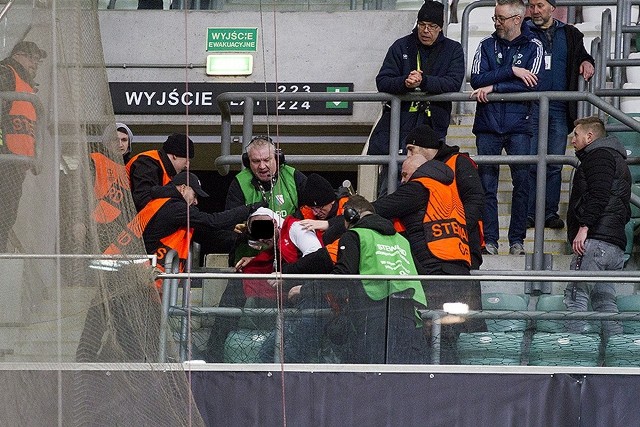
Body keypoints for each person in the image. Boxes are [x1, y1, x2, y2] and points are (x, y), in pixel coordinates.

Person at [373, 155, 485, 363]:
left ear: (418, 170)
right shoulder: (450, 192)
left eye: (405, 174)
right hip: (460, 277)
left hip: (436, 278)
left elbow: (377, 210)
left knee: (430, 339)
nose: (403, 180)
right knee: (449, 340)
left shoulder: (418, 188)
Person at [469, 0, 544, 255]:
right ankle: (490, 240)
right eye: (495, 18)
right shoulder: (485, 45)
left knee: (522, 184)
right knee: (486, 186)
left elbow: (532, 84)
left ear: (517, 19)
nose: (496, 23)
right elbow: (476, 79)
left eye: (501, 18)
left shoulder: (534, 46)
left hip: (519, 126)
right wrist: (511, 70)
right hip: (487, 126)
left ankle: (517, 241)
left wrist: (495, 88)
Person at [316, 195, 428, 364]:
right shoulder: (401, 241)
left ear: (350, 214)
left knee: (372, 381)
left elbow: (343, 274)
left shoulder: (354, 236)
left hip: (372, 319)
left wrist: (305, 289)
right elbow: (423, 276)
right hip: (409, 321)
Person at [368, 0, 465, 196]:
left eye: (432, 26)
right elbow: (383, 81)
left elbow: (453, 82)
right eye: (422, 25)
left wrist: (424, 81)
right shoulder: (401, 46)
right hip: (399, 126)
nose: (426, 30)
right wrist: (405, 83)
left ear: (441, 28)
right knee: (391, 185)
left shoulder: (453, 49)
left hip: (432, 128)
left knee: (428, 185)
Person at [525, 0, 595, 230]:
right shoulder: (522, 29)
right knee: (530, 162)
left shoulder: (571, 33)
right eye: (532, 6)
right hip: (530, 107)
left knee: (554, 164)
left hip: (558, 108)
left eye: (540, 6)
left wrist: (587, 61)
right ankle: (527, 212)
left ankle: (548, 213)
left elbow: (583, 55)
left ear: (552, 8)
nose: (535, 10)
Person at [564, 116, 631, 339]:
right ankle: (617, 355)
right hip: (614, 244)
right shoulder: (615, 158)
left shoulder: (599, 156)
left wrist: (584, 227)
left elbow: (599, 194)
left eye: (576, 135)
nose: (572, 139)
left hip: (595, 241)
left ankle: (574, 357)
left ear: (590, 136)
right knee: (605, 302)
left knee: (576, 297)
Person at [404, 124, 485, 270]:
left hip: (463, 244)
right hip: (435, 245)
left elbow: (475, 198)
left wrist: (458, 229)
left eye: (411, 149)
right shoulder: (426, 170)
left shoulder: (459, 162)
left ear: (425, 146)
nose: (408, 156)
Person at [225, 135, 307, 263]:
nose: (262, 166)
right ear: (248, 162)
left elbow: (309, 214)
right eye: (256, 161)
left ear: (277, 158)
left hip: (288, 259)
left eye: (267, 160)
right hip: (248, 260)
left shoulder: (294, 177)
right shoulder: (240, 182)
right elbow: (231, 222)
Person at [0, 40, 46, 252]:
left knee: (7, 216)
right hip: (5, 159)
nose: (34, 63)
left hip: (16, 165)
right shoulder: (6, 73)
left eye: (37, 59)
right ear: (16, 55)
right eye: (30, 57)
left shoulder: (29, 89)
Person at [126, 133, 194, 212]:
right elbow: (142, 199)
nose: (187, 166)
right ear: (175, 155)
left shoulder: (164, 170)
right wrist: (177, 191)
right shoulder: (147, 163)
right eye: (187, 160)